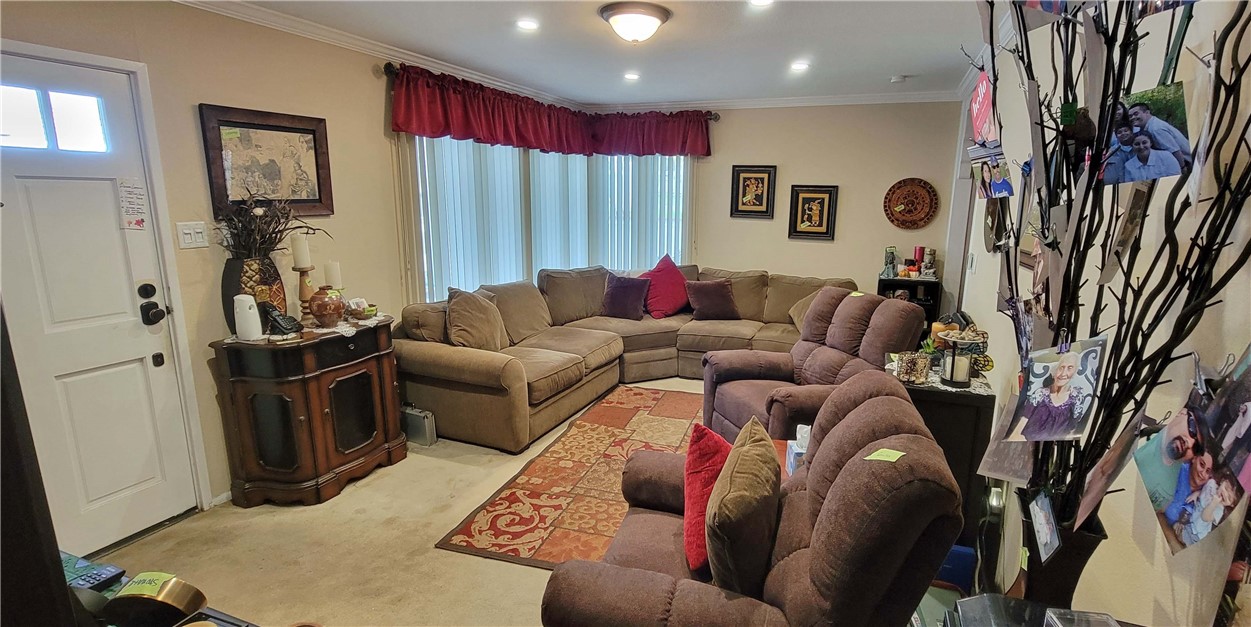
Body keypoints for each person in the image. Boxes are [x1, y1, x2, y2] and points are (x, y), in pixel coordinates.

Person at [1136, 408, 1205, 511]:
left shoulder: (1172, 488)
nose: (1190, 443)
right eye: (1192, 429)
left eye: (1196, 447)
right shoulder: (1143, 428)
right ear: (1182, 413)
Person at [1020, 352, 1091, 440]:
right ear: (1055, 371)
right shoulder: (1040, 393)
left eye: (1070, 368)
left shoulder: (1077, 397)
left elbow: (1071, 430)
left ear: (1075, 372)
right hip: (1027, 441)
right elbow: (1020, 426)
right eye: (1061, 368)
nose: (1063, 373)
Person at [1175, 470, 1239, 546]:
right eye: (1226, 488)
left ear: (1231, 505)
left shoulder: (1219, 510)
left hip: (1196, 533)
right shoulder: (1212, 485)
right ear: (1223, 481)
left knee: (1179, 537)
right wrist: (1197, 494)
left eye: (1229, 498)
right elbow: (1204, 492)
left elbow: (1205, 517)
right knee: (1176, 527)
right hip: (1191, 519)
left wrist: (1214, 503)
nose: (1224, 494)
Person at [1129, 102, 1192, 169]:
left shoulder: (1155, 129)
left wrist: (1182, 168)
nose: (1133, 117)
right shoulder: (1151, 124)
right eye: (1130, 116)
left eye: (1136, 114)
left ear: (1147, 112)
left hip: (1187, 163)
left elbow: (1175, 151)